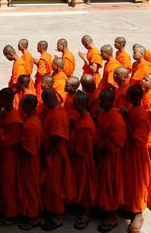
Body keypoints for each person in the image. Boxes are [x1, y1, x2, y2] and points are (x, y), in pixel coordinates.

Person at [40, 88, 75, 231]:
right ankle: (51, 209)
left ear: (48, 101)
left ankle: (58, 216)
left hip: (55, 154)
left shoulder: (59, 114)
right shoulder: (56, 112)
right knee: (51, 184)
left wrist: (46, 151)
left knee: (56, 185)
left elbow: (57, 137)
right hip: (52, 153)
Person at [121, 85, 151, 232]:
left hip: (137, 155)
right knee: (127, 182)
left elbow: (137, 140)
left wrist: (126, 119)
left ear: (134, 98)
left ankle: (138, 213)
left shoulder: (141, 115)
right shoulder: (131, 108)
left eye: (128, 95)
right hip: (127, 152)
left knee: (137, 185)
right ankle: (128, 207)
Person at [96, 88, 126, 232]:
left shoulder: (116, 118)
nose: (100, 102)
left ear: (112, 101)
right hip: (101, 155)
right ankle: (104, 208)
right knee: (102, 184)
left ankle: (112, 216)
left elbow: (117, 143)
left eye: (104, 100)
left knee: (111, 185)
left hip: (111, 158)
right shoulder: (103, 113)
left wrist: (101, 143)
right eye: (99, 99)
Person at [70, 92, 97, 230]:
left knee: (85, 185)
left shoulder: (86, 123)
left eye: (74, 102)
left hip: (83, 159)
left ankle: (85, 214)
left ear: (80, 104)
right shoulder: (81, 118)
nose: (72, 104)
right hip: (78, 158)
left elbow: (83, 147)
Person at [0, 88, 22, 226]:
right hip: (4, 155)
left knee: (8, 185)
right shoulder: (7, 114)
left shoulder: (14, 119)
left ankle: (11, 214)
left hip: (9, 156)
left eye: (0, 99)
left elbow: (6, 141)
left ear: (6, 100)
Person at [18, 94, 42, 230]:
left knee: (30, 188)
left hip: (30, 161)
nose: (20, 106)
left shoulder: (31, 125)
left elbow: (29, 148)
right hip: (30, 160)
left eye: (22, 104)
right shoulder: (33, 120)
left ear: (28, 106)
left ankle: (33, 218)